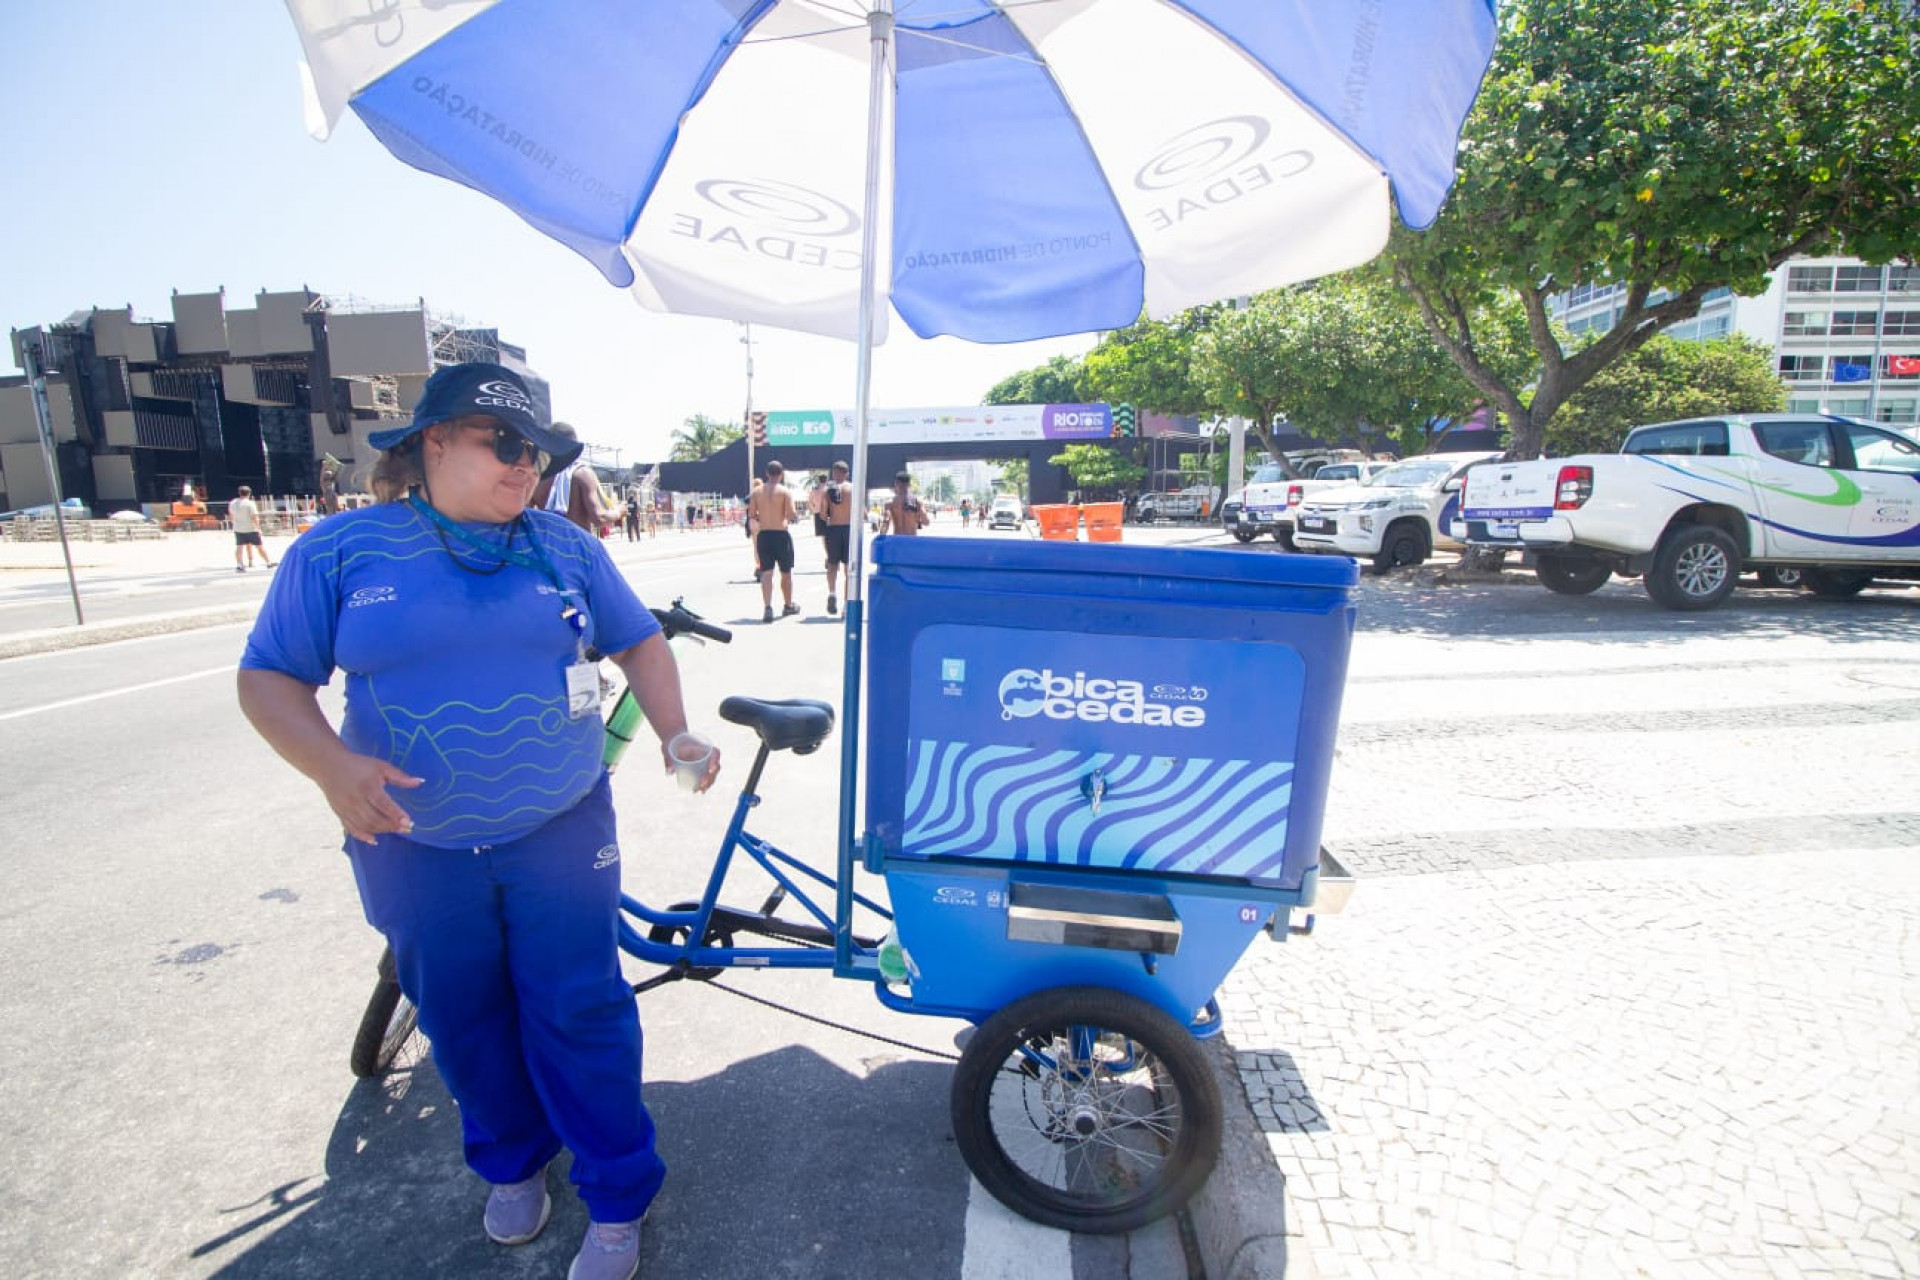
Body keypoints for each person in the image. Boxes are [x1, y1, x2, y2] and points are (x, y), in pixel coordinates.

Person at [235, 362, 717, 1280]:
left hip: (562, 828)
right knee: (462, 1015)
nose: (525, 466)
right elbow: (268, 677)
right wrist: (331, 767)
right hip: (412, 846)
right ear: (434, 440)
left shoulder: (564, 546)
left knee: (579, 1008)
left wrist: (675, 732)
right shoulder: (340, 553)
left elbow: (638, 639)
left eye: (536, 451)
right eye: (505, 443)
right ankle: (514, 1161)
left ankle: (618, 1195)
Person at [747, 460, 799, 622]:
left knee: (767, 573)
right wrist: (793, 517)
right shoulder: (785, 492)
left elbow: (751, 514)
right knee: (786, 573)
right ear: (781, 474)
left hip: (764, 535)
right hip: (781, 534)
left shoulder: (756, 492)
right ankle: (788, 604)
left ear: (767, 474)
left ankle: (768, 607)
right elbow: (791, 514)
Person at [821, 460, 854, 616]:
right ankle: (846, 606)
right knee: (848, 569)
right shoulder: (852, 488)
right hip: (848, 529)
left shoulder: (828, 490)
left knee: (832, 564)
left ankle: (832, 593)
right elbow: (861, 513)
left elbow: (822, 514)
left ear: (834, 473)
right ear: (846, 473)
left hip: (833, 528)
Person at [229, 485, 272, 571]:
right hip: (251, 529)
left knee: (239, 547)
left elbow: (231, 515)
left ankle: (239, 564)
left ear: (239, 493)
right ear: (249, 493)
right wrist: (258, 528)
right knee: (259, 547)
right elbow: (254, 517)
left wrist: (234, 524)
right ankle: (268, 562)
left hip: (238, 529)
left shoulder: (233, 502)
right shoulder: (250, 503)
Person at [879, 471, 928, 537]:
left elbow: (886, 523)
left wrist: (880, 538)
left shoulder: (890, 503)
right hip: (912, 540)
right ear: (909, 484)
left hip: (898, 540)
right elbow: (926, 522)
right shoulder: (917, 502)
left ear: (896, 483)